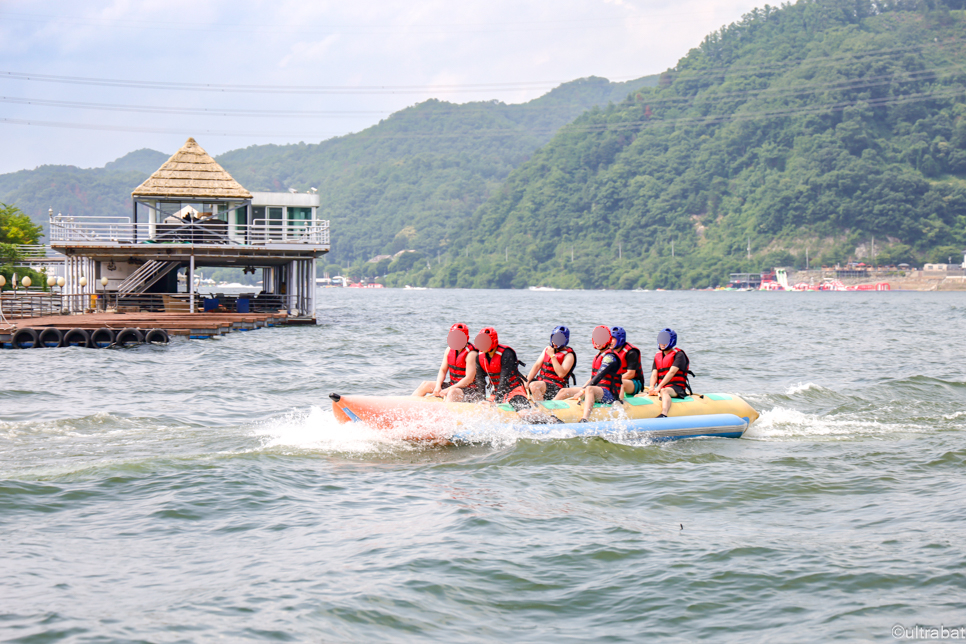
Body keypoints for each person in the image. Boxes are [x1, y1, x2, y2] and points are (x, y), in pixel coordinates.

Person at [555, 325, 623, 422]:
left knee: (589, 389)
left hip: (610, 394)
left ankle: (585, 419)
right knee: (564, 391)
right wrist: (582, 389)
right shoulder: (599, 355)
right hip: (597, 390)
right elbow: (592, 378)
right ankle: (546, 411)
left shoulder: (610, 357)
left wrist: (582, 392)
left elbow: (599, 376)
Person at [412, 323, 486, 402]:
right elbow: (443, 370)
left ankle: (445, 412)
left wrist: (449, 389)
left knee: (452, 392)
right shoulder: (449, 350)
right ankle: (408, 407)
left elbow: (469, 379)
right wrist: (438, 387)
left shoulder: (471, 354)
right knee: (425, 384)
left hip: (470, 391)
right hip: (453, 386)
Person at [475, 326, 531, 411]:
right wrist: (482, 400)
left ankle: (553, 420)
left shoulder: (507, 354)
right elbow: (480, 381)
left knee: (524, 414)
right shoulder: (479, 357)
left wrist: (497, 402)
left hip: (515, 392)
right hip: (496, 392)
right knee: (482, 410)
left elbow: (504, 379)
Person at [647, 328, 693, 418]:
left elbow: (671, 373)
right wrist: (652, 387)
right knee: (638, 395)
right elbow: (654, 374)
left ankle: (664, 413)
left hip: (676, 388)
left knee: (664, 391)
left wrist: (659, 388)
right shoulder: (658, 355)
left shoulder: (679, 355)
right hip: (661, 388)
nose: (662, 343)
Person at [525, 325, 577, 401]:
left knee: (534, 385)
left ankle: (540, 409)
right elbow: (537, 366)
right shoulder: (547, 349)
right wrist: (527, 381)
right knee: (521, 378)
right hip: (541, 382)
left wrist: (552, 356)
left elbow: (561, 374)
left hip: (556, 387)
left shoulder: (569, 355)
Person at [610, 326, 645, 400]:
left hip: (634, 383)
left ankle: (620, 405)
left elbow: (631, 374)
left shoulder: (631, 352)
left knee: (620, 382)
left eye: (613, 338)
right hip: (616, 380)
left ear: (620, 339)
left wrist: (612, 380)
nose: (610, 341)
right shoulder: (610, 352)